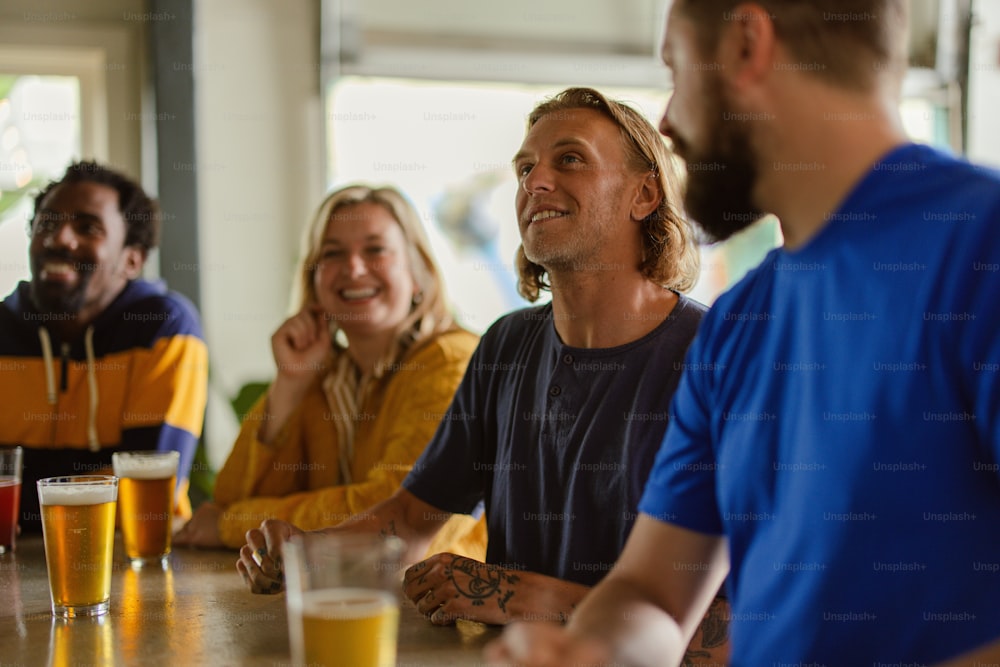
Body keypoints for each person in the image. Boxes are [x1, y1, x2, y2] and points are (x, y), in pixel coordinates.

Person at [485, 2, 1000, 666]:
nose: (668, 122)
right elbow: (653, 595)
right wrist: (590, 650)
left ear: (747, 44)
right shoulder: (738, 324)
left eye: (678, 69)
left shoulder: (980, 249)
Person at [238, 88, 728, 663]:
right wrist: (305, 554)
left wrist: (530, 598)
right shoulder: (506, 344)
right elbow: (410, 518)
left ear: (644, 193)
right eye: (525, 167)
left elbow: (725, 636)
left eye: (569, 158)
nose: (533, 182)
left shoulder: (717, 359)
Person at [173, 184, 486, 558]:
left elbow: (396, 513)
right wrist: (290, 385)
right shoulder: (325, 374)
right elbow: (230, 497)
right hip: (343, 596)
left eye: (375, 250)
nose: (353, 268)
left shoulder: (451, 361)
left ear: (418, 274)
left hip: (445, 607)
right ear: (314, 281)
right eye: (333, 254)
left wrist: (233, 526)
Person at [0, 160, 207, 531]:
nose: (59, 239)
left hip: (140, 563)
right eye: (46, 223)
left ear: (132, 259)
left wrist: (22, 501)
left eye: (87, 227)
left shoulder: (165, 329)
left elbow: (147, 485)